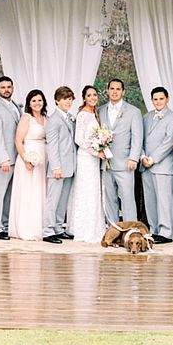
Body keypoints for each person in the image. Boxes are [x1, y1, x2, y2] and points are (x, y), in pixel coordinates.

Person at [98, 78, 143, 224]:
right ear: (107, 91)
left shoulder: (133, 111)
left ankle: (131, 229)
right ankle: (113, 229)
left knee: (127, 198)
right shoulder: (100, 110)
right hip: (106, 163)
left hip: (125, 162)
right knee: (109, 198)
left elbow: (137, 137)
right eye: (112, 89)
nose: (115, 92)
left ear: (123, 91)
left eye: (118, 89)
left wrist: (134, 158)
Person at [140, 86, 173, 243]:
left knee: (164, 201)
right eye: (155, 99)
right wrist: (143, 156)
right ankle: (154, 230)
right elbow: (140, 139)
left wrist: (153, 159)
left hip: (163, 166)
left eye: (161, 99)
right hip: (146, 165)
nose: (158, 102)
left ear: (167, 99)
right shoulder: (146, 117)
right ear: (151, 100)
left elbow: (169, 141)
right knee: (150, 201)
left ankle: (166, 232)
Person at [68, 85, 107, 243]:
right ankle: (83, 229)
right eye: (89, 95)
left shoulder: (95, 113)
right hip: (85, 158)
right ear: (84, 98)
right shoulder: (83, 115)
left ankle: (94, 227)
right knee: (86, 191)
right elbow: (79, 139)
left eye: (95, 95)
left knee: (94, 192)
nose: (92, 98)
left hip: (94, 159)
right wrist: (96, 152)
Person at [8, 89, 48, 241]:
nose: (37, 103)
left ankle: (41, 227)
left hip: (42, 160)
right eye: (34, 101)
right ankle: (26, 228)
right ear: (29, 104)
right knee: (28, 193)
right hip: (29, 158)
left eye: (39, 100)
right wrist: (26, 160)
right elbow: (18, 141)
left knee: (40, 192)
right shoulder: (26, 118)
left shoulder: (45, 118)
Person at [0, 76, 22, 240]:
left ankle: (6, 225)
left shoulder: (16, 107)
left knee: (9, 196)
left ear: (13, 88)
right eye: (3, 87)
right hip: (2, 161)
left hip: (17, 159)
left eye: (9, 87)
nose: (6, 90)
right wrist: (3, 159)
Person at [42, 86, 77, 244]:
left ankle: (58, 227)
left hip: (69, 166)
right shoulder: (53, 120)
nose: (68, 102)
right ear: (57, 100)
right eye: (64, 99)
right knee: (53, 199)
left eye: (70, 99)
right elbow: (52, 145)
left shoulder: (70, 117)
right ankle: (48, 230)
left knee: (62, 200)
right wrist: (56, 167)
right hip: (58, 167)